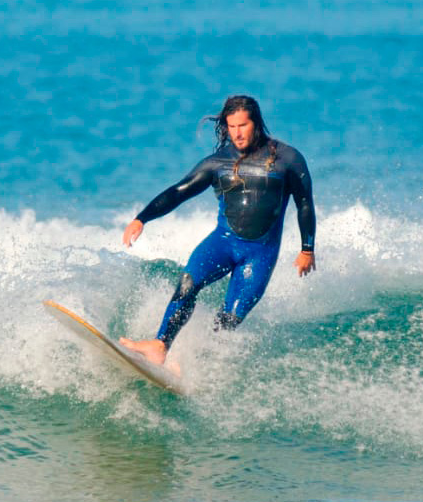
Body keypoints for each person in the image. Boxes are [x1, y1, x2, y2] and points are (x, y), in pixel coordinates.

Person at [119, 95, 316, 366]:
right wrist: (142, 218)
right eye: (232, 127)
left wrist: (307, 249)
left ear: (256, 123)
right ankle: (160, 345)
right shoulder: (218, 163)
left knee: (230, 319)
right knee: (187, 284)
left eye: (243, 126)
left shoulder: (287, 159)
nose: (237, 133)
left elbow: (304, 202)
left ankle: (192, 366)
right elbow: (179, 191)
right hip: (223, 243)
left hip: (260, 253)